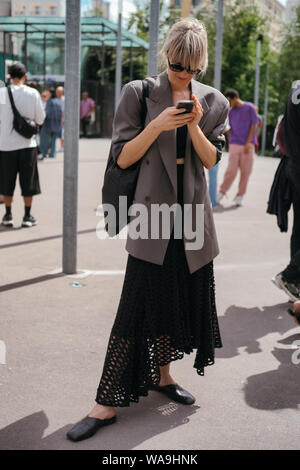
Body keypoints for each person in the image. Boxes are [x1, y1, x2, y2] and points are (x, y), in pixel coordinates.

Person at [66, 17, 230, 442]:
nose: (186, 75)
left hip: (192, 219)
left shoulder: (213, 102)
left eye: (194, 69)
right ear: (167, 56)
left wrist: (192, 124)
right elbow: (122, 158)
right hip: (152, 217)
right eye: (179, 66)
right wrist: (158, 125)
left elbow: (211, 161)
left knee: (174, 301)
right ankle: (104, 404)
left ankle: (163, 376)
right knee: (135, 307)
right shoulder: (139, 93)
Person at [0, 61, 45, 228]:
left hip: (5, 145)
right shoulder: (33, 93)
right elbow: (40, 118)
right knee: (28, 182)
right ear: (25, 76)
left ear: (10, 76)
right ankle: (27, 216)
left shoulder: (2, 93)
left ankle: (8, 214)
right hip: (27, 145)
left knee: (6, 181)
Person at [272, 82, 300, 302]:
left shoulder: (295, 86)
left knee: (299, 226)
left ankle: (295, 285)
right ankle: (290, 275)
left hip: (292, 162)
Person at [217, 89, 260, 206]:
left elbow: (253, 125)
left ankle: (240, 195)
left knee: (245, 172)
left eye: (229, 101)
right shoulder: (230, 111)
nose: (228, 104)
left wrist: (248, 143)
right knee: (231, 171)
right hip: (235, 144)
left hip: (248, 144)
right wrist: (231, 140)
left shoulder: (250, 107)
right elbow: (228, 127)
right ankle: (222, 192)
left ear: (235, 98)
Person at [39, 88, 62, 159]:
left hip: (48, 124)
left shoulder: (49, 101)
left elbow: (47, 113)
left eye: (48, 93)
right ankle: (53, 153)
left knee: (44, 139)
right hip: (56, 124)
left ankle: (43, 153)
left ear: (50, 94)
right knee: (54, 140)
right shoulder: (58, 101)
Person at [55, 86, 65, 151]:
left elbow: (64, 110)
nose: (58, 93)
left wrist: (63, 119)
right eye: (57, 91)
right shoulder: (55, 99)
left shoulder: (64, 99)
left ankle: (62, 147)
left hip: (63, 118)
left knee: (62, 133)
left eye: (59, 92)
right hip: (56, 118)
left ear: (62, 92)